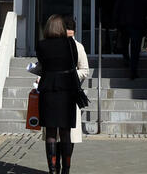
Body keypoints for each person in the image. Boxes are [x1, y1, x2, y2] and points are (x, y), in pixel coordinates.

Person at [34, 14, 90, 174]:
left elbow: (43, 66)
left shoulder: (41, 45)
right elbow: (72, 65)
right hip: (67, 92)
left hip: (48, 92)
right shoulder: (70, 44)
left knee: (51, 133)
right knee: (65, 132)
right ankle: (66, 170)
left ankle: (53, 170)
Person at [111, 0, 147, 79]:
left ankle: (126, 60)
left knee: (124, 44)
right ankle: (133, 71)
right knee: (135, 49)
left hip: (124, 25)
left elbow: (116, 10)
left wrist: (117, 25)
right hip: (138, 26)